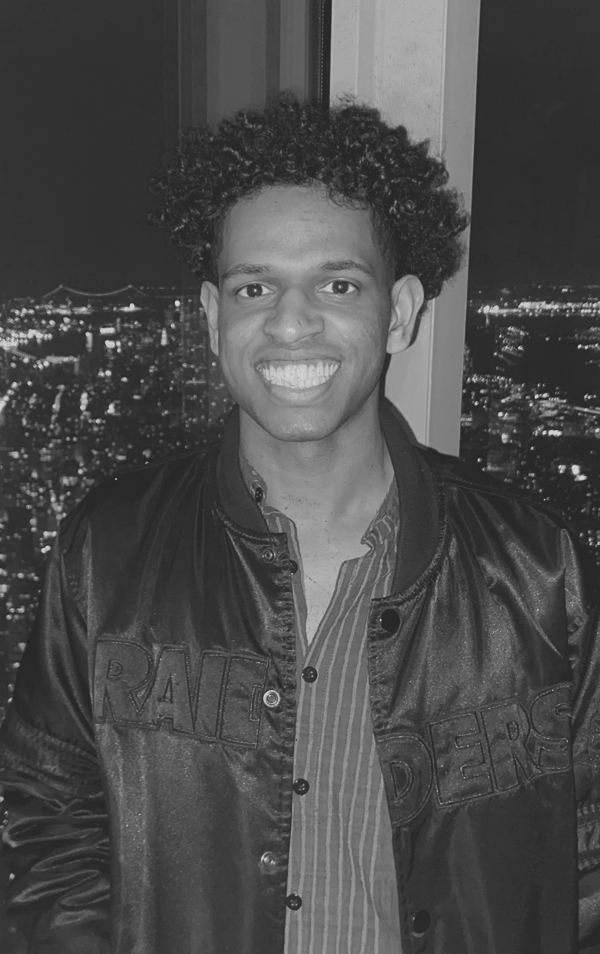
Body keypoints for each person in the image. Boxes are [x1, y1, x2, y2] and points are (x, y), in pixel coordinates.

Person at [1, 93, 599, 954]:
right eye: (256, 287)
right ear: (213, 316)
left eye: (337, 283)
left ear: (397, 311)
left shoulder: (540, 570)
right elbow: (48, 817)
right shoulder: (109, 551)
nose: (290, 323)